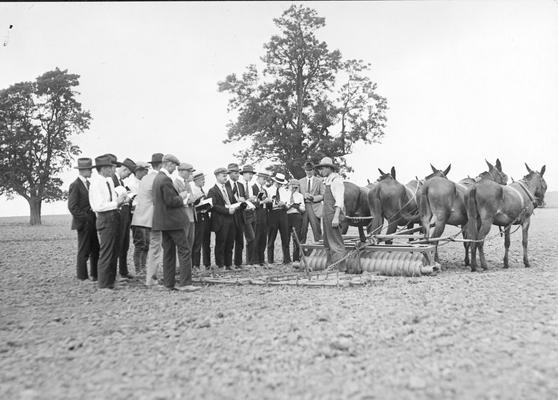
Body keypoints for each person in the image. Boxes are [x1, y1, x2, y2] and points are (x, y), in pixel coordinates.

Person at [152, 154, 200, 292]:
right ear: (167, 164)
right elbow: (171, 201)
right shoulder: (165, 180)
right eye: (173, 165)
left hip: (163, 222)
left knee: (168, 252)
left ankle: (169, 283)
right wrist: (182, 197)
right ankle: (185, 283)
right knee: (184, 250)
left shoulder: (157, 179)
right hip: (173, 221)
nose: (174, 168)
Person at [89, 155, 128, 289]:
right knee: (107, 251)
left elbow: (112, 199)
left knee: (114, 250)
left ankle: (111, 280)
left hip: (114, 215)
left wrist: (120, 199)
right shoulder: (96, 183)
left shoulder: (109, 181)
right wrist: (116, 203)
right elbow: (99, 205)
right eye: (112, 167)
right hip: (105, 217)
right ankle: (104, 283)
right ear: (104, 168)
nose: (113, 169)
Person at [132, 153, 164, 287]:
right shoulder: (158, 178)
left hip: (141, 217)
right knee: (153, 247)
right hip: (152, 217)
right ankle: (150, 277)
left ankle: (148, 274)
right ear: (162, 164)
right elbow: (160, 199)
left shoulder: (145, 178)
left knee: (149, 246)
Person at [67, 157, 99, 281]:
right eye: (90, 169)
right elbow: (72, 206)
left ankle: (95, 274)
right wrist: (85, 218)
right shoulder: (75, 185)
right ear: (84, 170)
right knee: (84, 250)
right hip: (83, 223)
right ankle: (82, 276)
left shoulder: (89, 184)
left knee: (95, 249)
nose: (92, 172)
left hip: (92, 222)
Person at [316, 157, 347, 272]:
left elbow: (339, 201)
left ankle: (341, 267)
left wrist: (336, 217)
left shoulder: (336, 181)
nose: (320, 171)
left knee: (336, 242)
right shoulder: (328, 181)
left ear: (329, 168)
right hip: (326, 214)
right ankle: (331, 266)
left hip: (333, 214)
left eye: (322, 168)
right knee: (327, 242)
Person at [173, 162, 200, 275]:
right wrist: (188, 200)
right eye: (189, 172)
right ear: (182, 171)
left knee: (190, 244)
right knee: (183, 245)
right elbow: (177, 200)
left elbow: (190, 197)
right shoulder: (176, 183)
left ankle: (186, 268)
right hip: (183, 216)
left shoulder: (186, 183)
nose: (190, 174)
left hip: (191, 216)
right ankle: (181, 269)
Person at [112, 157, 136, 279]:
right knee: (118, 243)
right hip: (119, 215)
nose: (128, 176)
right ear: (124, 169)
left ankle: (123, 271)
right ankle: (116, 273)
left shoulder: (121, 181)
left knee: (124, 244)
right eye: (128, 173)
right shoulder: (112, 179)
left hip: (125, 214)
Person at [208, 167, 236, 269]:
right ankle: (220, 264)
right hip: (220, 220)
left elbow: (232, 201)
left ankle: (228, 264)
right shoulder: (212, 190)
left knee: (230, 242)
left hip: (230, 218)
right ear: (217, 176)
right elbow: (214, 206)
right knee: (221, 242)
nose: (226, 177)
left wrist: (236, 206)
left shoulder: (228, 189)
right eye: (223, 175)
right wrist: (227, 210)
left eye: (226, 175)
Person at [127, 161, 150, 274]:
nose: (147, 173)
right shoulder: (131, 184)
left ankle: (143, 267)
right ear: (138, 171)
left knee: (147, 243)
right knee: (140, 243)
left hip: (145, 215)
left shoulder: (143, 182)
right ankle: (138, 269)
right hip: (136, 216)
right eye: (145, 171)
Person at [267, 172, 291, 264]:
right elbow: (266, 204)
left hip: (283, 213)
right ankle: (270, 260)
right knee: (271, 237)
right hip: (272, 213)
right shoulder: (268, 190)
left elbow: (288, 205)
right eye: (278, 183)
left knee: (285, 237)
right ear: (274, 181)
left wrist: (284, 204)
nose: (279, 185)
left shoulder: (285, 191)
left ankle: (287, 259)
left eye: (281, 183)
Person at [225, 163, 246, 268]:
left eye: (238, 172)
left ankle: (238, 263)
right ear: (229, 174)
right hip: (230, 215)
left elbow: (244, 200)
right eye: (235, 173)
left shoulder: (241, 185)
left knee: (240, 241)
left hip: (240, 215)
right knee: (229, 241)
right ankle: (228, 264)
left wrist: (245, 202)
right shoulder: (225, 185)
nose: (238, 174)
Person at [298, 161, 324, 243]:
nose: (308, 172)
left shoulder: (319, 181)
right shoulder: (300, 181)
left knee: (317, 231)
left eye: (310, 170)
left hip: (315, 207)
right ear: (304, 170)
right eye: (306, 170)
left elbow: (323, 195)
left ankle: (319, 251)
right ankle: (302, 252)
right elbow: (296, 195)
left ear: (313, 170)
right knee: (302, 230)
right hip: (303, 208)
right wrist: (303, 196)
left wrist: (313, 198)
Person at [190, 171, 211, 270]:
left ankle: (207, 263)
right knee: (198, 241)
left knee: (206, 241)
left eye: (204, 179)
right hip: (198, 216)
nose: (204, 181)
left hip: (206, 215)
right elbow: (193, 204)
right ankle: (196, 264)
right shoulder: (193, 190)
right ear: (196, 180)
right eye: (202, 180)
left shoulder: (204, 190)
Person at [251, 172, 271, 266]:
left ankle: (261, 260)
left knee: (263, 238)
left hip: (264, 215)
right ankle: (255, 260)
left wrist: (269, 202)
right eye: (264, 179)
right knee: (257, 237)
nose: (265, 181)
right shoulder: (253, 188)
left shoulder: (265, 190)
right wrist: (263, 201)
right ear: (259, 178)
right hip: (257, 215)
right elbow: (253, 203)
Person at [286, 179, 306, 266]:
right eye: (292, 187)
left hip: (296, 216)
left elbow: (303, 209)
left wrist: (297, 206)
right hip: (286, 215)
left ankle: (296, 258)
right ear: (289, 186)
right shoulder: (285, 194)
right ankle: (286, 259)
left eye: (296, 187)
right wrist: (288, 205)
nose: (294, 189)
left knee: (296, 237)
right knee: (286, 238)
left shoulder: (300, 196)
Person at [240, 165, 257, 265]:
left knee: (251, 238)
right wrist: (248, 200)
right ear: (244, 174)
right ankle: (250, 261)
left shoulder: (250, 186)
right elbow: (240, 199)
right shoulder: (240, 185)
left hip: (252, 212)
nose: (251, 176)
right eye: (249, 174)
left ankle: (249, 261)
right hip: (244, 213)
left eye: (252, 174)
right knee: (251, 237)